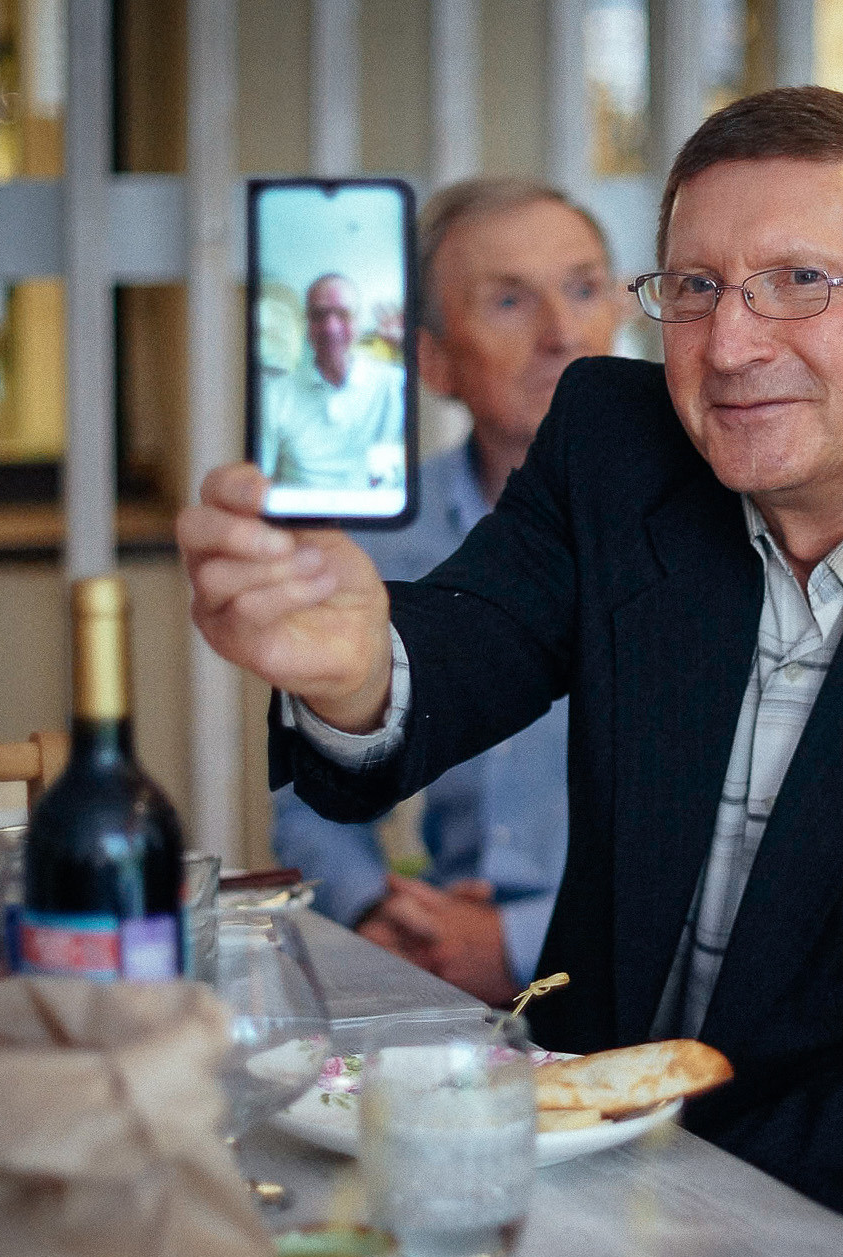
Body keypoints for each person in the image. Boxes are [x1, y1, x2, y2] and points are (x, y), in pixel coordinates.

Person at [178, 86, 843, 1218]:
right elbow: (467, 644)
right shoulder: (620, 443)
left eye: (799, 281)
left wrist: (695, 1197)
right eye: (693, 289)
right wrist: (353, 667)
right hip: (561, 1137)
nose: (732, 345)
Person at [271, 178, 621, 1005]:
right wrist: (379, 915)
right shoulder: (375, 545)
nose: (563, 333)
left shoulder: (700, 534)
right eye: (509, 301)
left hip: (627, 983)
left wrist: (518, 943)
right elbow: (307, 792)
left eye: (584, 288)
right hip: (439, 976)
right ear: (432, 360)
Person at [263, 272, 406, 488]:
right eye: (319, 315)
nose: (330, 327)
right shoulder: (275, 393)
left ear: (358, 322)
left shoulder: (395, 383)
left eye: (343, 314)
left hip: (377, 518)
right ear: (307, 324)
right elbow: (261, 480)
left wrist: (408, 348)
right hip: (299, 519)